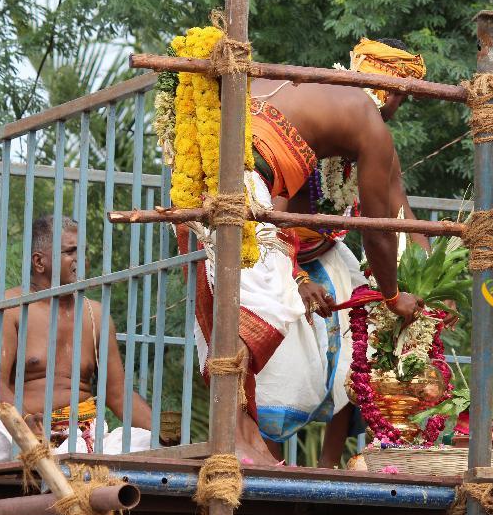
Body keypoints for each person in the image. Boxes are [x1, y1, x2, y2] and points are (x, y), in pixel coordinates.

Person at [177, 37, 430, 466]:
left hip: (207, 169)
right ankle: (232, 438)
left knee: (234, 307)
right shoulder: (370, 123)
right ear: (397, 90)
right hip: (238, 182)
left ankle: (247, 436)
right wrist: (392, 296)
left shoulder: (317, 88)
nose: (400, 104)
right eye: (403, 95)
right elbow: (378, 232)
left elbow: (399, 212)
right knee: (261, 310)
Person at [0, 216, 152, 466]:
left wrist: (166, 435)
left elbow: (117, 393)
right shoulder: (7, 307)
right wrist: (24, 422)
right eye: (70, 251)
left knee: (144, 440)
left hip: (81, 433)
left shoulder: (95, 315)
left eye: (83, 252)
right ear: (39, 261)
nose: (82, 260)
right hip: (19, 429)